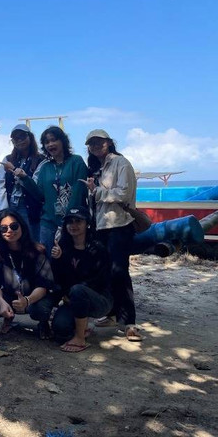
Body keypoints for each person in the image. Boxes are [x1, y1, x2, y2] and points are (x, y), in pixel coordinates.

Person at [84, 129, 143, 342]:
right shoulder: (95, 168)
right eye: (91, 143)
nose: (95, 146)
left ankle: (129, 322)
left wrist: (97, 192)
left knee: (120, 272)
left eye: (99, 142)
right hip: (100, 226)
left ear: (109, 142)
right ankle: (111, 313)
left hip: (119, 224)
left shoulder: (121, 163)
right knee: (104, 272)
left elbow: (124, 194)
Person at [0, 210, 54, 338]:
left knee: (41, 309)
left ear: (22, 226)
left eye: (14, 226)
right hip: (11, 296)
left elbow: (44, 285)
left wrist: (27, 300)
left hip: (34, 297)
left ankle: (43, 323)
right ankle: (8, 318)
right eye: (4, 228)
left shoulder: (37, 250)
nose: (9, 231)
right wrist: (1, 302)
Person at [17, 126, 88, 256]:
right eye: (46, 142)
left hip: (73, 222)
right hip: (48, 222)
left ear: (63, 141)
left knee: (70, 258)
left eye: (54, 140)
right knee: (47, 260)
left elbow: (78, 192)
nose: (50, 144)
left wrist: (67, 222)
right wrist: (25, 178)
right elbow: (39, 195)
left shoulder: (76, 161)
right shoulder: (45, 167)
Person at [50, 207, 113, 352]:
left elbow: (101, 280)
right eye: (70, 222)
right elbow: (58, 278)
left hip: (99, 299)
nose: (73, 225)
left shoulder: (98, 248)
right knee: (60, 330)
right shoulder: (63, 247)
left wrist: (73, 292)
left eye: (78, 221)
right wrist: (57, 259)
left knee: (78, 290)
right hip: (73, 298)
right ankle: (82, 326)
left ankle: (80, 338)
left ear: (87, 224)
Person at [0, 124, 45, 241]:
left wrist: (14, 171)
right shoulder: (7, 159)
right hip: (11, 204)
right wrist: (3, 210)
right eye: (16, 138)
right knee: (12, 239)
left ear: (30, 137)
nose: (19, 141)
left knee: (31, 239)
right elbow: (0, 185)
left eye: (22, 136)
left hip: (30, 207)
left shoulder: (40, 160)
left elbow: (36, 186)